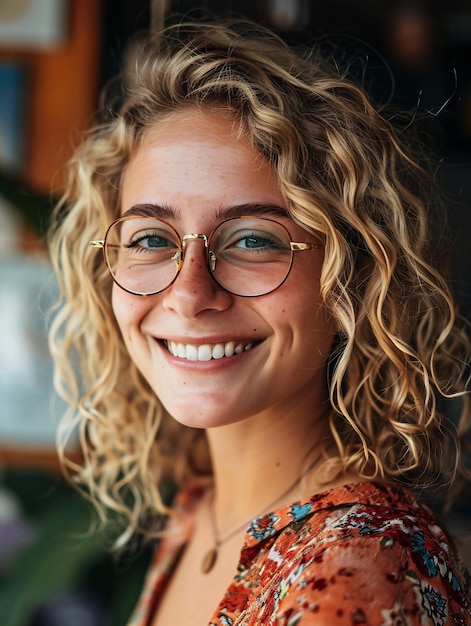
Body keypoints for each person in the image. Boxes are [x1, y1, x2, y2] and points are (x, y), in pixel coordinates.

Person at [48, 17, 471, 626]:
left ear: (349, 272)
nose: (190, 294)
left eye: (252, 238)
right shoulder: (201, 507)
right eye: (149, 238)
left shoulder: (357, 572)